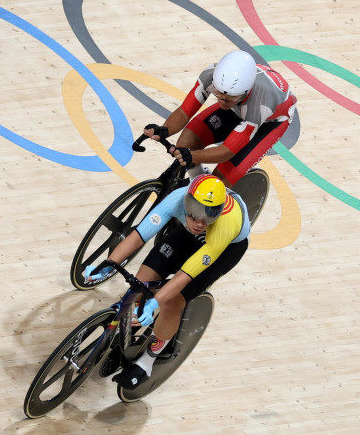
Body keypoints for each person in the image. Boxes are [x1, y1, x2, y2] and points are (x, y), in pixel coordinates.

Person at [83, 174, 251, 389]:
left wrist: (155, 303)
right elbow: (138, 236)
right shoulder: (177, 198)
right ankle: (129, 333)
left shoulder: (225, 224)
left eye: (208, 217)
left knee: (171, 302)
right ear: (187, 202)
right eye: (195, 215)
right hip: (186, 237)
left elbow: (185, 276)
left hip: (223, 250)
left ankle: (147, 361)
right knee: (140, 284)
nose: (200, 223)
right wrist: (106, 264)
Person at [143, 49, 297, 185]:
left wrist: (192, 156)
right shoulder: (211, 75)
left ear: (246, 91)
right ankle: (196, 182)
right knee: (185, 143)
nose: (222, 101)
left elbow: (227, 151)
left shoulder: (262, 102)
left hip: (270, 122)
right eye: (218, 94)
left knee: (219, 182)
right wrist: (164, 130)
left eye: (229, 98)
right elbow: (185, 111)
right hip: (239, 107)